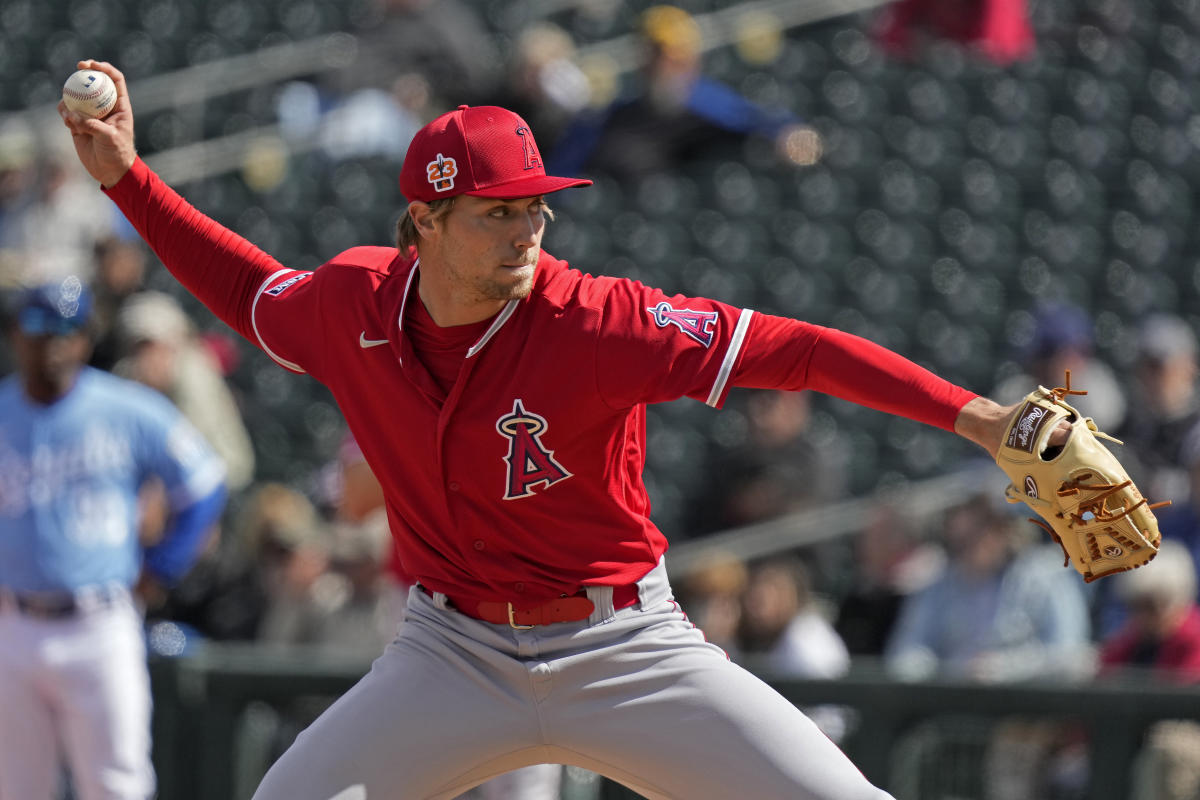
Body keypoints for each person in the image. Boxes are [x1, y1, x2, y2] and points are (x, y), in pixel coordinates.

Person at [63, 59, 1064, 800]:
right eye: (497, 213)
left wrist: (978, 417)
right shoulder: (353, 301)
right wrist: (125, 180)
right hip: (448, 650)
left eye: (535, 206)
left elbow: (795, 349)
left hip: (623, 642)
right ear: (425, 221)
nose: (528, 229)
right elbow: (246, 290)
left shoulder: (596, 319)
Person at [0, 277, 226, 800]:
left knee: (115, 784)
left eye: (67, 326)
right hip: (11, 623)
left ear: (85, 338)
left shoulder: (126, 410)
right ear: (14, 332)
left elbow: (205, 484)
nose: (52, 339)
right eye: (37, 323)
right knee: (17, 789)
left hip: (98, 623)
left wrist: (163, 565)